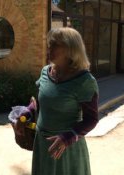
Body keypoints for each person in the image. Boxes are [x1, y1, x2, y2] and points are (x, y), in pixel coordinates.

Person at [32, 27, 99, 175]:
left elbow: (92, 119)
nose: (49, 48)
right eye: (49, 44)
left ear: (71, 50)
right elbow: (39, 102)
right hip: (42, 145)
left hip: (66, 149)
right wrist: (28, 111)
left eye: (55, 45)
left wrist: (67, 138)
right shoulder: (45, 71)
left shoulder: (84, 81)